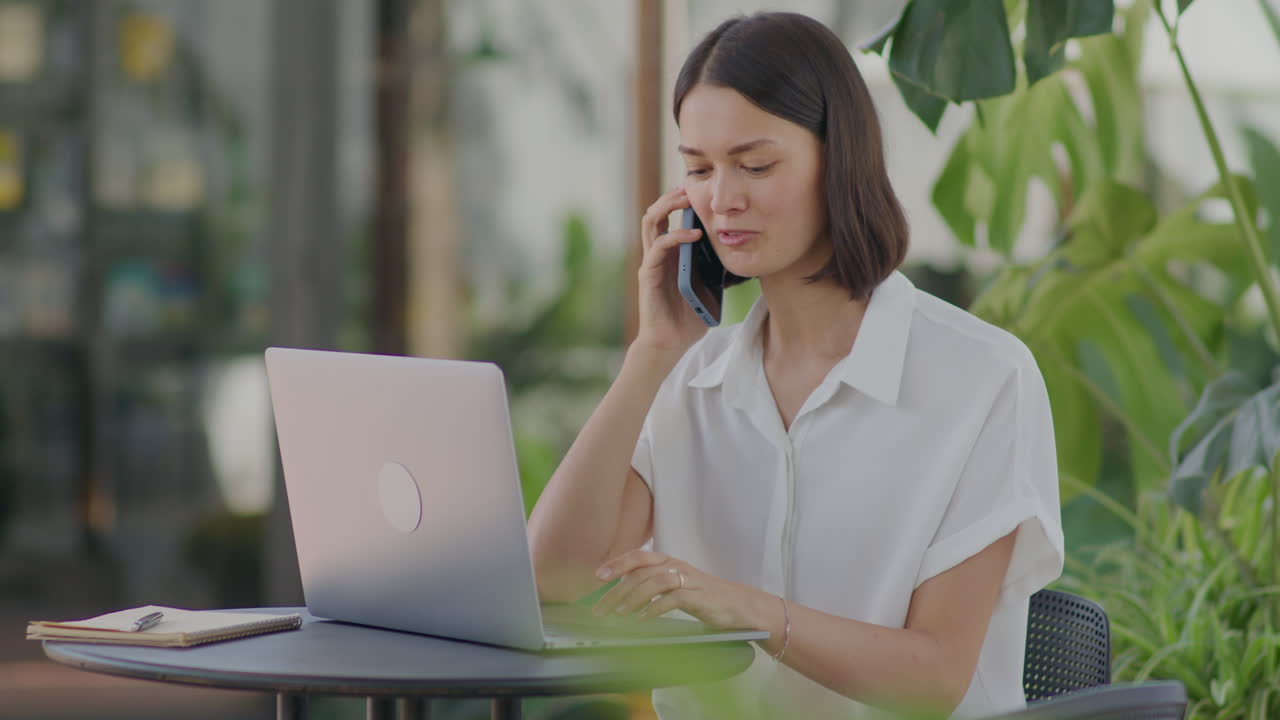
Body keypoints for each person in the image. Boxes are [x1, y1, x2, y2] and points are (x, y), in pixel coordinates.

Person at [527, 11, 1063, 720]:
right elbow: (553, 577)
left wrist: (746, 610)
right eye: (698, 169)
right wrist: (650, 354)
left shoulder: (982, 377)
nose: (722, 200)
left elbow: (934, 678)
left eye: (755, 165)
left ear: (838, 162)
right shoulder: (691, 378)